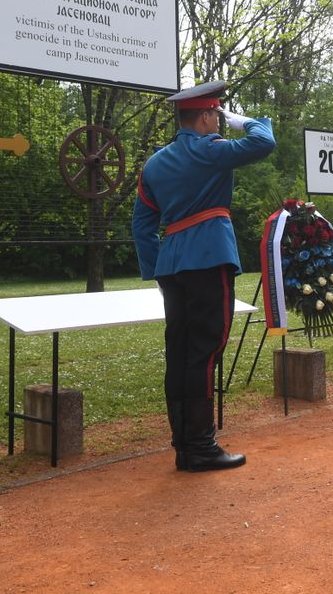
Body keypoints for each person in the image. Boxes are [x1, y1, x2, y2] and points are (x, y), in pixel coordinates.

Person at [132, 81, 275, 472]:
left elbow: (142, 225)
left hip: (171, 266)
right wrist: (249, 121)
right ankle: (200, 446)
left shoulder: (154, 164)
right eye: (217, 116)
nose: (219, 123)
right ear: (207, 116)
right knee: (206, 351)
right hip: (208, 257)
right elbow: (264, 143)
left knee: (179, 353)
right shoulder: (210, 149)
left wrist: (155, 267)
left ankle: (184, 442)